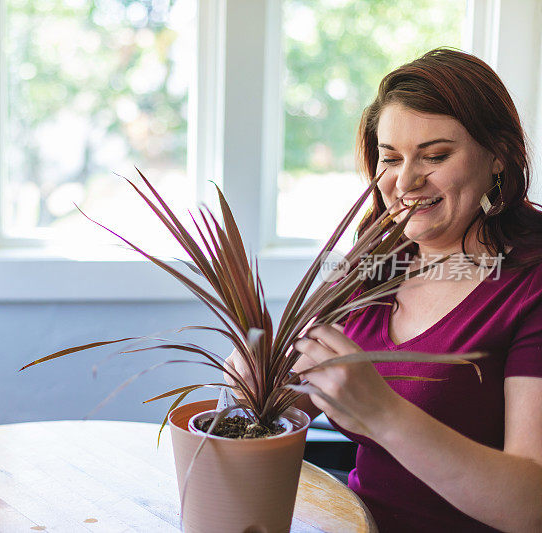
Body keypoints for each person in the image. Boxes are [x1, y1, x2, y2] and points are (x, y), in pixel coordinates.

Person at [226, 48, 542, 532]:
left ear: (497, 155)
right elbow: (301, 399)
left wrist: (386, 416)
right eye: (390, 158)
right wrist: (257, 384)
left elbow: (529, 505)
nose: (406, 180)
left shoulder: (530, 283)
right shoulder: (374, 260)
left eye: (435, 156)